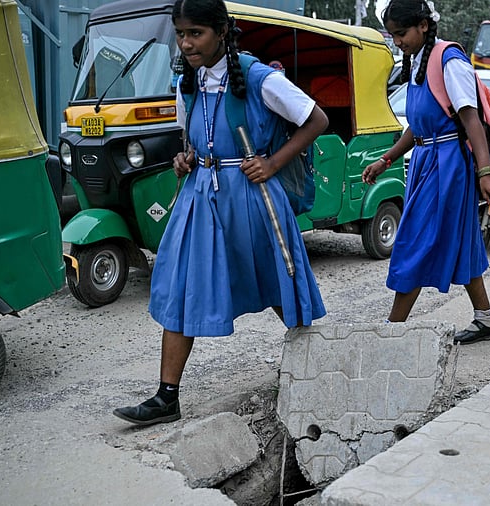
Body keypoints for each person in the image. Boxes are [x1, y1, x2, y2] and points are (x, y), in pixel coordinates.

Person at [113, 0, 329, 426]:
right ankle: (166, 397)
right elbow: (193, 139)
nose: (186, 43)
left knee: (278, 281)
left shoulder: (257, 76)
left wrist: (272, 163)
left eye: (196, 33)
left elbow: (316, 119)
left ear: (222, 32)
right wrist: (185, 159)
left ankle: (320, 371)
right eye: (180, 33)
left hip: (252, 198)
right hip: (200, 197)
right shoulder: (187, 82)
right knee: (181, 285)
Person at [362, 0, 490, 345]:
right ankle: (486, 320)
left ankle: (392, 328)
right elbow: (418, 127)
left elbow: (470, 118)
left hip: (448, 166)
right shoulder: (417, 62)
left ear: (424, 26)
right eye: (393, 34)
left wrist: (486, 171)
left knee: (416, 241)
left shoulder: (448, 59)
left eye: (401, 33)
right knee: (459, 241)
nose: (397, 41)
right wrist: (385, 160)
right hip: (426, 161)